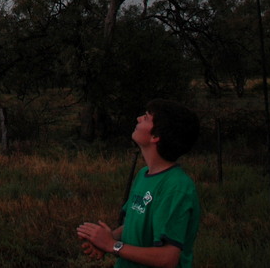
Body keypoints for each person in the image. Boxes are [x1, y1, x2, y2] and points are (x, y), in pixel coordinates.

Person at [76, 99, 201, 268]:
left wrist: (112, 245)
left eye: (147, 118)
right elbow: (134, 224)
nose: (138, 119)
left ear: (156, 136)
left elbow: (167, 258)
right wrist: (108, 238)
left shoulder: (176, 188)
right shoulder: (144, 174)